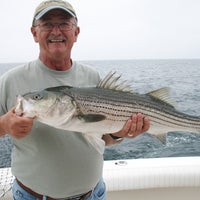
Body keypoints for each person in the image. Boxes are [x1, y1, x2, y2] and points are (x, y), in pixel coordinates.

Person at [0, 0, 150, 199]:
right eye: (46, 24)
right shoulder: (11, 80)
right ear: (34, 33)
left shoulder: (93, 77)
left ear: (76, 32)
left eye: (64, 24)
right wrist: (4, 125)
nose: (56, 31)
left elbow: (101, 138)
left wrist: (118, 134)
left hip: (93, 194)